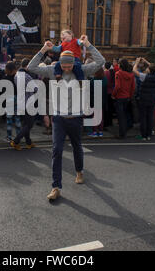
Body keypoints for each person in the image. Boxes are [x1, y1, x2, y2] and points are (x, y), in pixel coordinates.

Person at [27, 35, 105, 201]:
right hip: (59, 118)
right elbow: (31, 66)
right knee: (56, 151)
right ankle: (56, 187)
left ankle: (79, 171)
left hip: (76, 117)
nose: (67, 69)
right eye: (64, 66)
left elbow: (100, 61)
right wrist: (43, 50)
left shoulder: (82, 70)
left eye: (70, 66)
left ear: (74, 63)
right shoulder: (52, 69)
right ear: (59, 64)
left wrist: (88, 45)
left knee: (77, 147)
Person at [9, 58, 37, 150]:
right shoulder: (27, 76)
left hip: (21, 101)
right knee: (29, 125)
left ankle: (29, 142)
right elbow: (35, 89)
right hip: (28, 101)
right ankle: (16, 141)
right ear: (27, 66)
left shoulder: (16, 75)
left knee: (26, 123)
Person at [133, 59, 155, 141]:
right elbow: (154, 68)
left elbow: (134, 70)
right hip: (152, 99)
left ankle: (143, 135)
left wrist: (137, 62)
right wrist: (146, 61)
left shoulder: (144, 77)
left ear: (149, 69)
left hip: (143, 99)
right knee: (150, 117)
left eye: (148, 67)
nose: (146, 68)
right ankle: (149, 135)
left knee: (143, 117)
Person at [112, 59, 135, 139]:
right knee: (124, 115)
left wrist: (113, 95)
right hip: (127, 97)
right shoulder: (131, 74)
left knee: (120, 117)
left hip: (119, 97)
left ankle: (122, 134)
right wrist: (130, 96)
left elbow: (117, 86)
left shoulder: (118, 73)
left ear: (120, 65)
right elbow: (133, 87)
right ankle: (124, 131)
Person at [4, 61, 21, 142]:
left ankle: (9, 137)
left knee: (9, 120)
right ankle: (18, 137)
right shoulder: (18, 77)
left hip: (9, 98)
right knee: (17, 119)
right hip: (18, 98)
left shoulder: (5, 78)